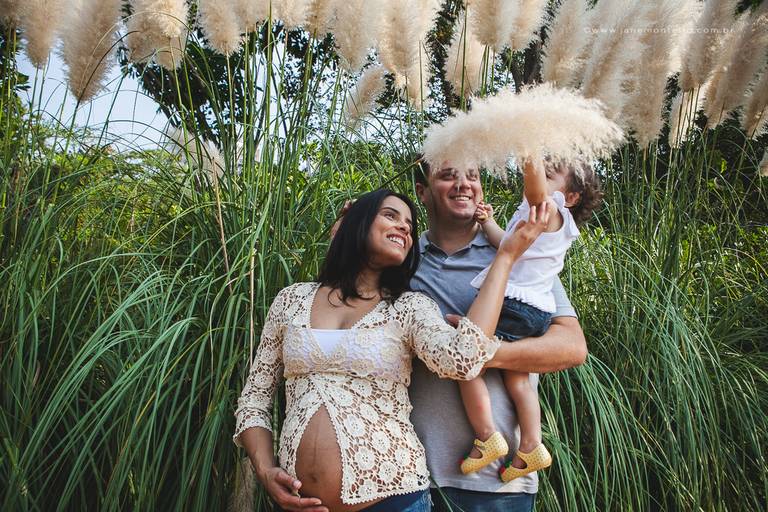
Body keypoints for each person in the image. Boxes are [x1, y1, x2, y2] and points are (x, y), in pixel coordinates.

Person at [233, 188, 551, 512]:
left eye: (410, 226)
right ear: (356, 223)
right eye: (390, 215)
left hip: (396, 499)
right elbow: (255, 399)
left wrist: (507, 256)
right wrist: (265, 469)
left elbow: (464, 359)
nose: (404, 228)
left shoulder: (408, 307)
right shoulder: (292, 299)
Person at [409, 158, 588, 512]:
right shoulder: (401, 255)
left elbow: (572, 347)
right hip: (410, 476)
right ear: (422, 192)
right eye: (447, 176)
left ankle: (500, 438)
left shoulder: (523, 253)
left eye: (473, 176)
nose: (464, 184)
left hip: (498, 484)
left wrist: (482, 353)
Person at [459, 157, 602, 482]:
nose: (543, 170)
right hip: (535, 309)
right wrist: (487, 223)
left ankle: (487, 436)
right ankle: (531, 445)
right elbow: (506, 246)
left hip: (515, 303)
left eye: (552, 172)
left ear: (571, 197)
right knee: (518, 379)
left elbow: (536, 191)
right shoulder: (536, 220)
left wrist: (530, 149)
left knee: (463, 360)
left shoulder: (549, 211)